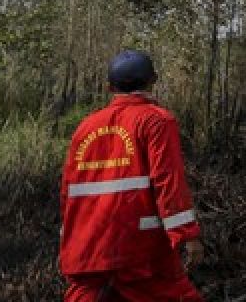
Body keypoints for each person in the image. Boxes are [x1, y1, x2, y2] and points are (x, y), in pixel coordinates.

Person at [60, 50, 204, 302]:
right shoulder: (156, 120)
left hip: (87, 249)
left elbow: (68, 191)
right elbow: (167, 181)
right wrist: (186, 234)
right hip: (139, 251)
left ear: (109, 87)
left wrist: (70, 240)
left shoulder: (85, 127)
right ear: (153, 80)